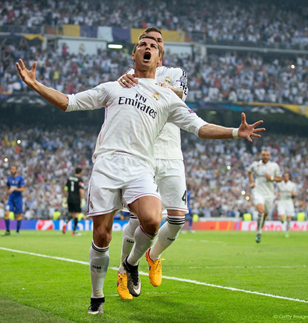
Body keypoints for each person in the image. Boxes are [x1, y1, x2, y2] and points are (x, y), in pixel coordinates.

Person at [15, 35, 264, 315]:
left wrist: (235, 132)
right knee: (102, 236)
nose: (148, 48)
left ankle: (132, 262)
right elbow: (69, 102)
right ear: (133, 56)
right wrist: (35, 84)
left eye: (154, 46)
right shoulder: (113, 87)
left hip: (141, 166)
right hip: (107, 164)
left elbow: (199, 126)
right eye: (142, 45)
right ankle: (97, 295)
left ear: (160, 59)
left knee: (152, 219)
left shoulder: (168, 95)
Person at [116, 27, 191, 299]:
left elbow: (179, 94)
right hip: (143, 153)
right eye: (147, 42)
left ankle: (152, 255)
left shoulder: (176, 73)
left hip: (171, 154)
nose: (152, 46)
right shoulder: (131, 74)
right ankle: (124, 271)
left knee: (177, 219)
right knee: (141, 218)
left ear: (162, 52)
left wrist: (157, 87)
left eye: (158, 42)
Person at [248, 149, 281, 243]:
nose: (265, 156)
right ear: (261, 155)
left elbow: (280, 179)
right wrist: (251, 182)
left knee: (265, 214)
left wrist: (271, 178)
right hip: (258, 191)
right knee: (261, 211)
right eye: (264, 155)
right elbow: (249, 172)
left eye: (267, 155)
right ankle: (258, 232)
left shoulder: (274, 166)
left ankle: (260, 229)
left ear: (269, 156)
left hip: (269, 194)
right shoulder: (256, 165)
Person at [2, 165, 25, 236]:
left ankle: (17, 232)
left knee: (18, 215)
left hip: (18, 199)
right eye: (11, 169)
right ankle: (8, 231)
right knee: (6, 213)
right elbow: (8, 188)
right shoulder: (9, 178)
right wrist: (6, 197)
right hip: (10, 199)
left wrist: (14, 189)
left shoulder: (20, 178)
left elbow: (22, 189)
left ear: (16, 170)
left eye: (13, 169)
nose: (12, 170)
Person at [63, 167, 85, 236]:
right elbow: (81, 190)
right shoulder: (79, 179)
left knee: (72, 214)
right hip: (76, 199)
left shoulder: (69, 178)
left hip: (69, 198)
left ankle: (65, 223)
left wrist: (65, 198)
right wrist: (82, 199)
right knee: (76, 215)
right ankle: (74, 231)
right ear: (80, 172)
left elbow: (66, 188)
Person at [276, 172, 297, 238]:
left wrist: (293, 193)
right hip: (281, 201)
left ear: (289, 177)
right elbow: (277, 191)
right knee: (282, 218)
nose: (286, 177)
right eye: (284, 176)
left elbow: (296, 194)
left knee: (288, 218)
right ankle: (282, 219)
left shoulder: (292, 185)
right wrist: (277, 194)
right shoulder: (279, 184)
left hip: (289, 202)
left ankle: (286, 232)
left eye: (287, 176)